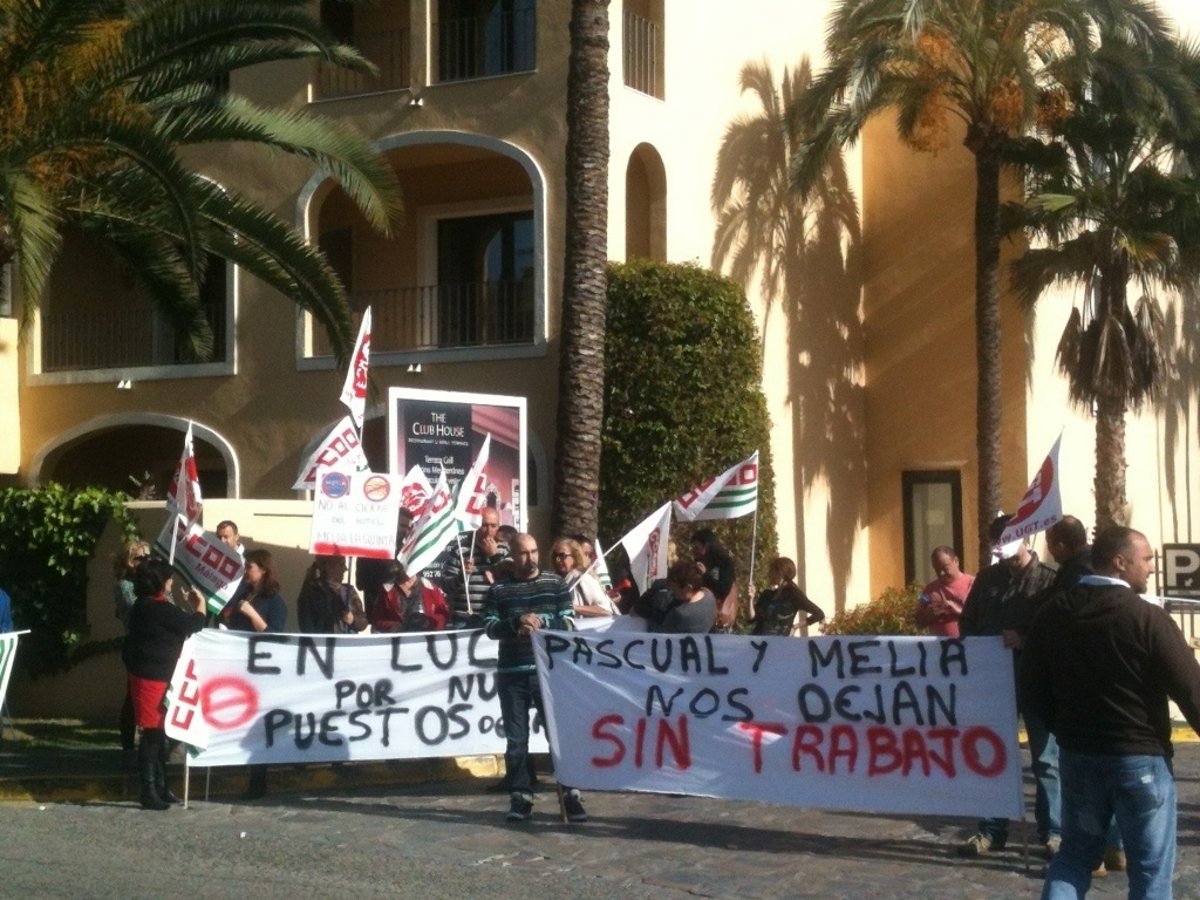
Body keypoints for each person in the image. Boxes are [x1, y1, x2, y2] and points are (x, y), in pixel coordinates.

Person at [1021, 526, 1200, 899]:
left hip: (1080, 757)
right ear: (1120, 562)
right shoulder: (1147, 618)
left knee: (1073, 858)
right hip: (1140, 759)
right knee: (1150, 874)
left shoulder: (1051, 614)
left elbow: (1032, 689)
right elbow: (1191, 690)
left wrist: (1065, 729)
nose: (1152, 567)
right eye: (1146, 559)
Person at [958, 513, 1059, 859]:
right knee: (994, 756)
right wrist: (981, 646)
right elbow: (968, 623)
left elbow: (1060, 630)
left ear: (1026, 539)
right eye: (997, 543)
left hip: (1039, 684)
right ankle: (992, 830)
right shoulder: (987, 579)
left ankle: (1053, 831)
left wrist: (1025, 639)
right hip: (995, 685)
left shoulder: (1050, 580)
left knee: (1046, 761)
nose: (1002, 550)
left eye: (1008, 541)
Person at [482, 533, 585, 823]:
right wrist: (516, 623)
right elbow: (489, 627)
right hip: (512, 673)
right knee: (517, 740)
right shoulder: (499, 589)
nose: (531, 558)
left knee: (558, 736)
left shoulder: (554, 584)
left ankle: (571, 795)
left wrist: (543, 622)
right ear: (513, 556)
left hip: (548, 673)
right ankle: (521, 797)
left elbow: (569, 622)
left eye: (534, 551)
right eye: (524, 553)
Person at [121, 557, 206, 810]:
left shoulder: (143, 605)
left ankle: (160, 785)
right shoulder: (157, 608)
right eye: (169, 579)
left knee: (160, 734)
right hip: (152, 678)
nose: (171, 583)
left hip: (153, 675)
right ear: (160, 581)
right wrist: (200, 605)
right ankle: (148, 790)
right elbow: (193, 625)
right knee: (152, 735)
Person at [221, 548, 286, 799]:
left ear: (264, 570)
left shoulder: (274, 602)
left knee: (257, 728)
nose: (246, 571)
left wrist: (251, 613)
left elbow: (275, 636)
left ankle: (258, 780)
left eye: (250, 567)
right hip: (238, 669)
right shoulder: (242, 594)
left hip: (261, 674)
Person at [111, 540, 150, 765]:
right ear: (129, 561)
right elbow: (137, 609)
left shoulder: (151, 582)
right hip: (136, 644)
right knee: (133, 696)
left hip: (157, 644)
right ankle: (128, 747)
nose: (144, 562)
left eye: (147, 558)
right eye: (139, 558)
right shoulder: (125, 585)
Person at [441, 507, 510, 627]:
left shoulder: (504, 550)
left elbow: (509, 584)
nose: (488, 531)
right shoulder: (460, 549)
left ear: (498, 526)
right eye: (484, 525)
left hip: (494, 618)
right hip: (464, 618)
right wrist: (461, 577)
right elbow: (446, 586)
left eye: (493, 526)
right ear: (476, 525)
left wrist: (494, 557)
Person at [369, 561, 450, 632]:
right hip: (398, 641)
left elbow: (444, 614)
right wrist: (394, 627)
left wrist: (428, 621)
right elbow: (377, 619)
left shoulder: (430, 587)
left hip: (427, 639)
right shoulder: (388, 589)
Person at [751, 557, 824, 636]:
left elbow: (819, 614)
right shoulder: (767, 595)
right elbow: (752, 619)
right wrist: (750, 599)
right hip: (759, 640)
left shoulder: (793, 594)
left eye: (772, 571)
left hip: (780, 641)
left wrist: (795, 627)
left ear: (780, 573)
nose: (769, 574)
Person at [297, 555, 367, 634]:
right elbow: (306, 625)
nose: (345, 569)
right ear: (328, 566)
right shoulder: (312, 591)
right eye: (341, 564)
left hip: (346, 640)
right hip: (323, 640)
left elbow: (363, 622)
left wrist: (353, 620)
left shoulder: (349, 591)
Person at [915, 546, 973, 638]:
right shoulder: (928, 590)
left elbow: (983, 618)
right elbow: (917, 622)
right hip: (939, 645)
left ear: (956, 561)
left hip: (967, 644)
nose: (941, 573)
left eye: (945, 568)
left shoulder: (973, 584)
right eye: (937, 570)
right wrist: (929, 615)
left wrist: (958, 611)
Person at [551, 538, 617, 617]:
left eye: (562, 555)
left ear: (575, 556)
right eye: (555, 555)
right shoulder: (554, 581)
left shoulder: (583, 579)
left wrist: (574, 607)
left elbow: (606, 610)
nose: (557, 560)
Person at [652, 560, 718, 634]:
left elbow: (658, 632)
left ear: (688, 588)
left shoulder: (680, 613)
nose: (672, 591)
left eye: (674, 588)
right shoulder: (709, 594)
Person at [691, 528, 737, 631]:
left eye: (696, 547)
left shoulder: (724, 562)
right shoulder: (698, 562)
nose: (694, 551)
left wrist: (705, 575)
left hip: (719, 618)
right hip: (700, 614)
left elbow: (723, 589)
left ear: (706, 545)